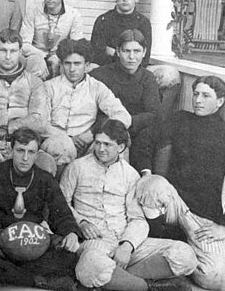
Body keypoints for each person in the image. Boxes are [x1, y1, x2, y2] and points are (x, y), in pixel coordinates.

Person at [60, 119, 197, 291]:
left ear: (121, 147)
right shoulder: (77, 167)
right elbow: (61, 204)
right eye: (97, 143)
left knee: (185, 255)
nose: (101, 149)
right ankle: (148, 287)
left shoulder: (131, 175)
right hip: (95, 243)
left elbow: (138, 219)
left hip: (125, 240)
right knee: (91, 265)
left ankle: (118, 281)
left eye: (107, 145)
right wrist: (81, 222)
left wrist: (127, 246)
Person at [142, 76, 225, 286]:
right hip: (171, 203)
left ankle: (181, 256)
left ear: (220, 101)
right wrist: (147, 174)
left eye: (206, 96)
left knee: (214, 279)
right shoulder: (179, 119)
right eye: (196, 94)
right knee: (155, 185)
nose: (198, 100)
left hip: (202, 215)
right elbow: (146, 139)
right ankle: (167, 253)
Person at [0, 128, 82, 291]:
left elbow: (60, 211)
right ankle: (37, 281)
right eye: (20, 151)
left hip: (34, 240)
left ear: (37, 154)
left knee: (69, 255)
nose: (25, 158)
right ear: (11, 150)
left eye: (31, 152)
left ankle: (12, 275)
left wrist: (71, 232)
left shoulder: (44, 178)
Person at [0, 29, 69, 181]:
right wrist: (13, 114)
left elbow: (40, 121)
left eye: (13, 51)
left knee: (46, 164)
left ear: (20, 51)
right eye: (3, 50)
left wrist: (8, 124)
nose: (8, 56)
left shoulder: (34, 82)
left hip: (28, 144)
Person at [43, 38, 131, 168]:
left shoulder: (96, 87)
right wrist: (66, 139)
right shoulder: (48, 87)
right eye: (68, 63)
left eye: (77, 63)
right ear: (61, 64)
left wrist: (92, 134)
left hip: (86, 144)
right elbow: (40, 123)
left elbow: (123, 115)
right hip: (55, 142)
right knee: (60, 147)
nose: (72, 69)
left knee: (115, 146)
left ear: (87, 65)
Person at [136, 174, 225, 290]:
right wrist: (148, 179)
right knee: (151, 188)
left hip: (201, 213)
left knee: (215, 279)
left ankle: (180, 267)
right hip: (169, 193)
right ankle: (155, 270)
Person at [90, 29, 160, 171]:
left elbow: (154, 113)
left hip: (135, 129)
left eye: (137, 51)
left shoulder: (147, 78)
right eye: (126, 51)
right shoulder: (100, 75)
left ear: (144, 52)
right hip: (105, 129)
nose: (132, 57)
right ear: (117, 51)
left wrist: (126, 124)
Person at [21, 0, 83, 80]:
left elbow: (76, 46)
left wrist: (59, 57)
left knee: (68, 68)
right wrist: (45, 56)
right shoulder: (33, 11)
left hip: (60, 57)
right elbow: (24, 44)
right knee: (37, 64)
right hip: (36, 55)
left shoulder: (73, 15)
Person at [90, 0, 151, 67]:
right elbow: (96, 56)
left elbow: (145, 58)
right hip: (107, 70)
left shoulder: (143, 22)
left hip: (135, 72)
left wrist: (113, 52)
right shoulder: (103, 20)